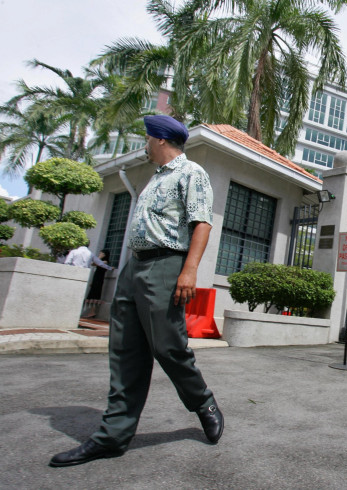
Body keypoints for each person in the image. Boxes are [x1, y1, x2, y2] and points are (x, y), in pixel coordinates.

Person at [50, 115, 223, 467]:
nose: (145, 144)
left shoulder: (191, 173)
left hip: (166, 265)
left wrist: (189, 271)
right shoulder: (154, 179)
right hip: (134, 265)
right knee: (125, 350)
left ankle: (202, 400)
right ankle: (112, 437)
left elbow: (202, 222)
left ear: (159, 139)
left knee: (168, 346)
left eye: (147, 138)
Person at [82, 249, 113, 319]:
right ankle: (90, 311)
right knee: (92, 295)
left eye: (101, 253)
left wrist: (98, 258)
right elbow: (93, 264)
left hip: (99, 279)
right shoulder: (100, 261)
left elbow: (96, 263)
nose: (100, 254)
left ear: (104, 254)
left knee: (95, 295)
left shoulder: (105, 262)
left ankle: (93, 311)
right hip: (95, 278)